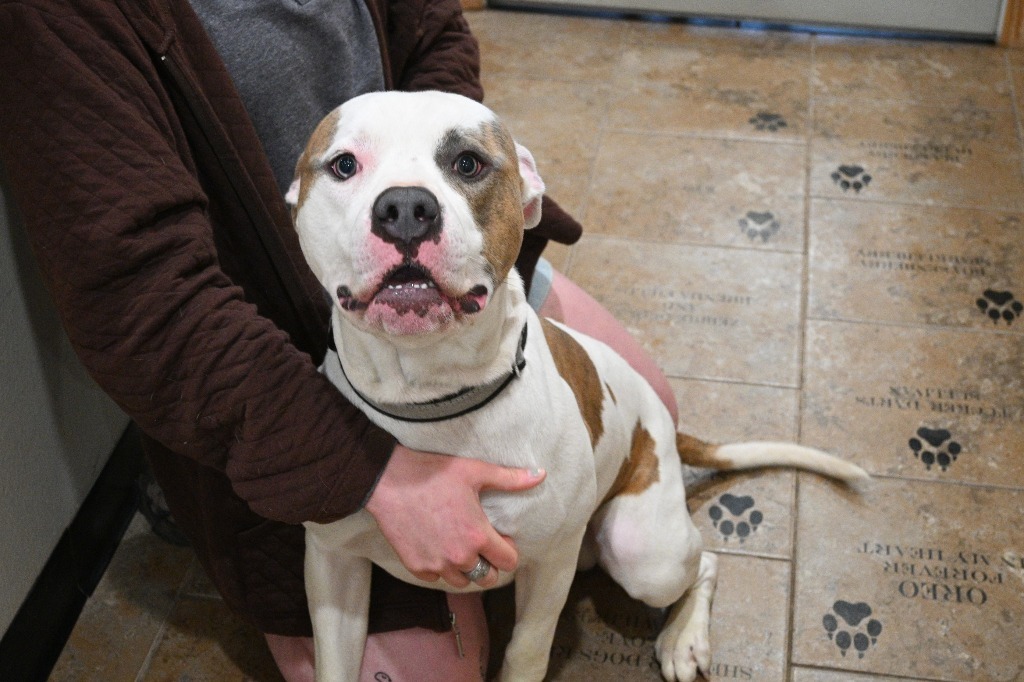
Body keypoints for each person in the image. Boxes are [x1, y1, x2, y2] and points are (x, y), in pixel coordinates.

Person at [0, 0, 677, 680]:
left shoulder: (449, 202)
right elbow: (141, 297)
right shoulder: (59, 18)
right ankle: (191, 473)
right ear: (295, 200)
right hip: (251, 338)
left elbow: (436, 38)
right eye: (347, 169)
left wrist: (444, 177)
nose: (403, 205)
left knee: (652, 421)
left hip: (449, 266)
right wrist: (366, 474)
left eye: (472, 168)